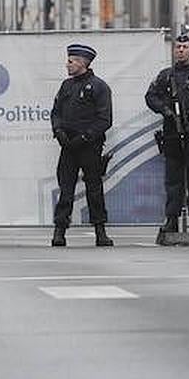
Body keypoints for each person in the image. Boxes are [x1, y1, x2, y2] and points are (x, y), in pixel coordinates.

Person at [145, 32, 189, 236]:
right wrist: (165, 111)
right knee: (173, 179)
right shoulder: (165, 75)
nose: (181, 50)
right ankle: (171, 219)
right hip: (171, 134)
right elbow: (150, 97)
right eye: (178, 47)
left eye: (185, 47)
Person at [50, 42, 114, 247]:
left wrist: (85, 137)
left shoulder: (99, 86)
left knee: (94, 189)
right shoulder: (66, 86)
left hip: (89, 146)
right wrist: (58, 131)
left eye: (70, 61)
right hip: (67, 145)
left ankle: (100, 231)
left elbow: (105, 119)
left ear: (82, 62)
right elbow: (56, 112)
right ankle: (59, 231)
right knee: (65, 189)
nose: (67, 65)